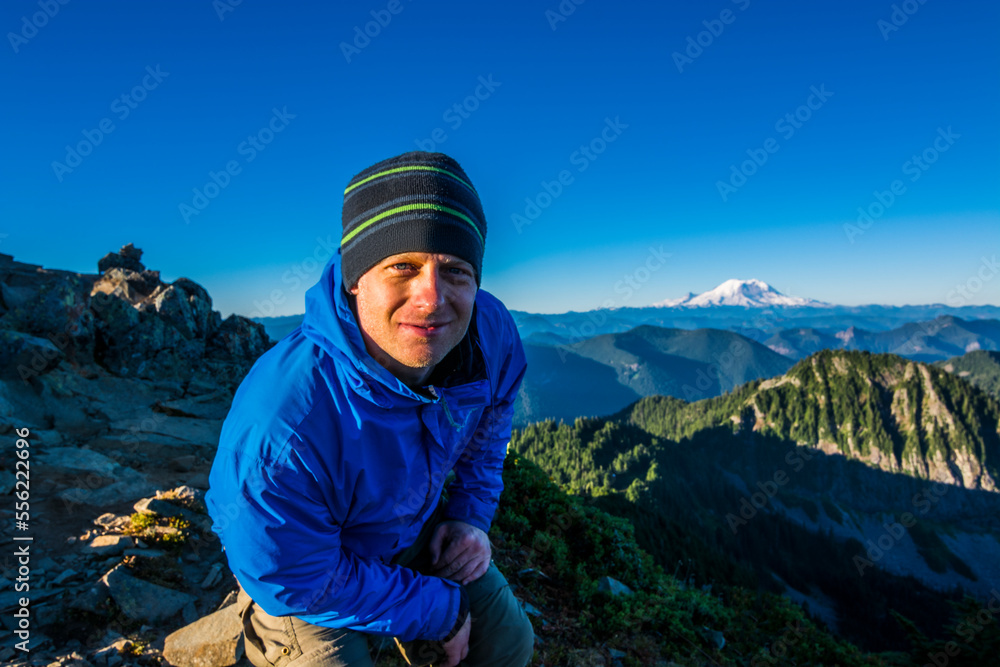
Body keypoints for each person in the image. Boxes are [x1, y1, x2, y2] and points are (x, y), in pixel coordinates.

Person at [205, 151, 534, 667]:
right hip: (314, 570)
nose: (432, 298)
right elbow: (295, 577)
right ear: (356, 278)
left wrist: (470, 516)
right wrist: (437, 610)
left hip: (408, 528)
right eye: (403, 266)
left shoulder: (490, 335)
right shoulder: (282, 430)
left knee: (509, 643)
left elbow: (493, 420)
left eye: (456, 270)